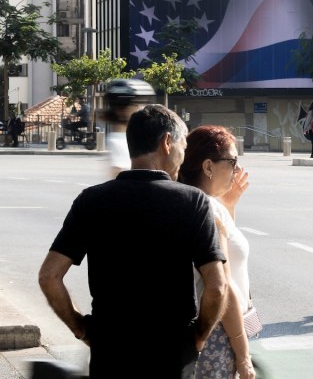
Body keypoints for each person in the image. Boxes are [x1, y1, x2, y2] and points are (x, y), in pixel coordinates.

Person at [38, 104, 228, 378]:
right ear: (166, 142)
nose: (183, 156)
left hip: (110, 354)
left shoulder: (91, 201)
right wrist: (198, 335)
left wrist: (82, 328)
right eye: (182, 147)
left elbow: (49, 276)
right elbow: (218, 287)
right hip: (173, 354)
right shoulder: (192, 202)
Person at [179, 126, 256, 379]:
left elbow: (227, 254)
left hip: (217, 331)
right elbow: (222, 285)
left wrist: (229, 205)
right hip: (220, 335)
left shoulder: (197, 203)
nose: (236, 170)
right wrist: (243, 355)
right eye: (232, 161)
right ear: (208, 167)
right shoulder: (207, 210)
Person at [103, 78, 155, 178]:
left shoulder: (134, 134)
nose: (141, 107)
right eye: (136, 104)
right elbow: (118, 178)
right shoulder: (117, 141)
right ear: (122, 110)